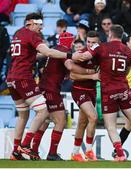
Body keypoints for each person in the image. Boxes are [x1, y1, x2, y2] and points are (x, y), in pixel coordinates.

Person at [72, 24, 131, 162]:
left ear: (110, 34)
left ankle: (120, 154)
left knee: (111, 126)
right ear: (122, 36)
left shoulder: (102, 47)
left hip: (109, 91)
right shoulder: (127, 50)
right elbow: (127, 70)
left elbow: (83, 57)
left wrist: (71, 55)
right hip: (124, 89)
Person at [6, 12, 77, 160]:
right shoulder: (32, 35)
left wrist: (46, 55)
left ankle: (15, 151)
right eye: (39, 24)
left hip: (12, 78)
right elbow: (48, 51)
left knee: (23, 116)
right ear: (30, 23)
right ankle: (25, 145)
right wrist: (69, 55)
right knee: (43, 112)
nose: (41, 27)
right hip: (23, 78)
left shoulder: (18, 34)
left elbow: (31, 55)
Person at [31, 32, 97, 161]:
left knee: (45, 120)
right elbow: (70, 66)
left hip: (44, 87)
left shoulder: (55, 49)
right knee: (61, 120)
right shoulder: (64, 51)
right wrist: (91, 71)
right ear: (70, 42)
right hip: (51, 89)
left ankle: (33, 150)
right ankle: (52, 153)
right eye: (72, 42)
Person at [70, 31, 100, 162]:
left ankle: (75, 153)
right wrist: (91, 76)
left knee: (82, 122)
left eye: (93, 43)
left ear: (98, 43)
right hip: (79, 89)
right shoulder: (81, 54)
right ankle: (88, 150)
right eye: (88, 42)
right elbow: (72, 75)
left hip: (92, 91)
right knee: (93, 117)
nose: (90, 45)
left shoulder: (100, 53)